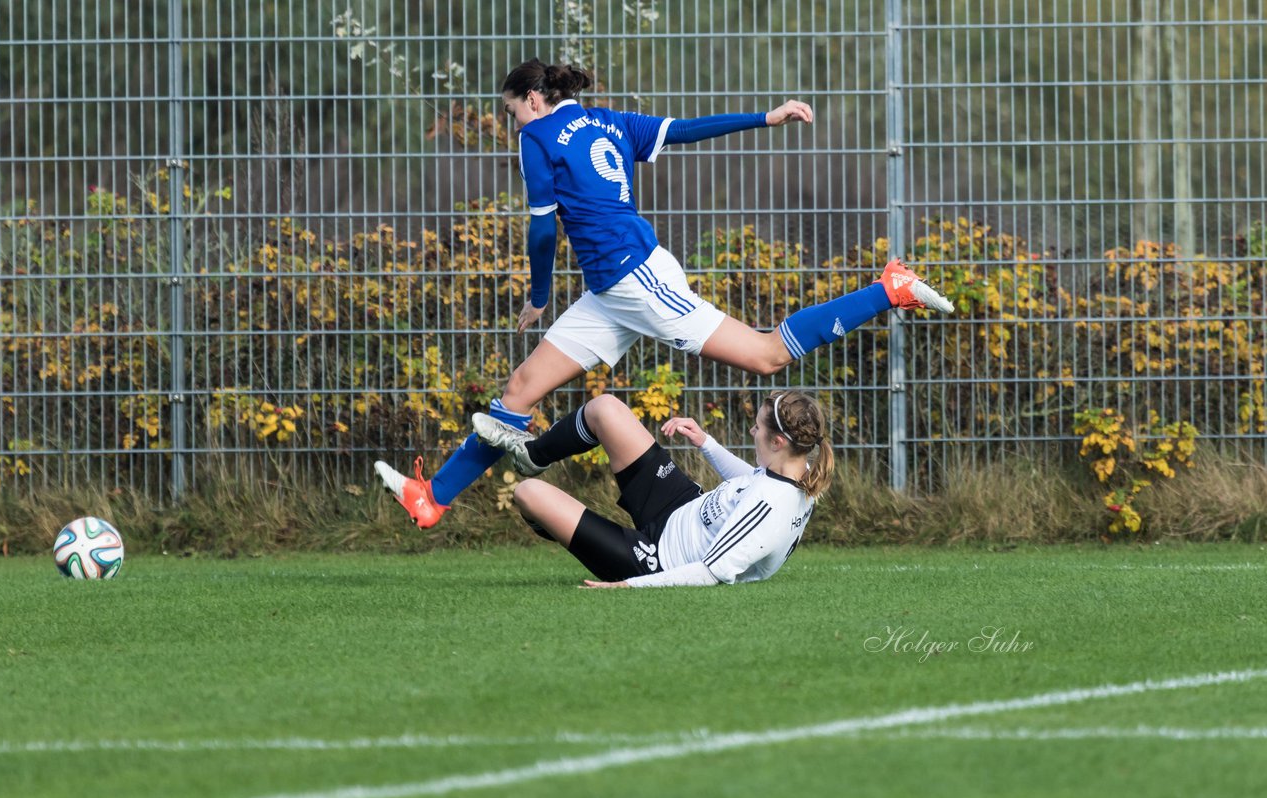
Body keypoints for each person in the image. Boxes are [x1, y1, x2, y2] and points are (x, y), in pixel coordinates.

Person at [374, 59, 950, 529]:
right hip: (610, 290)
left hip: (635, 279)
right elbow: (685, 128)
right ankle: (433, 499)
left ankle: (888, 290)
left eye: (510, 111)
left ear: (531, 98)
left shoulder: (538, 136)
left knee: (764, 354)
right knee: (520, 389)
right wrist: (765, 117)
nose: (512, 122)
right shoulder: (608, 122)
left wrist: (540, 295)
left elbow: (543, 228)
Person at [447, 390, 833, 588]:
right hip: (680, 506)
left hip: (657, 559)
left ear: (778, 442)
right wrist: (706, 443)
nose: (753, 431)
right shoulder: (797, 468)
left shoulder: (773, 505)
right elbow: (752, 479)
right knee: (607, 410)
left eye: (759, 428)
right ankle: (531, 453)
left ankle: (570, 531)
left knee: (528, 495)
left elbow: (711, 572)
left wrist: (629, 585)